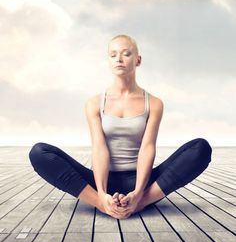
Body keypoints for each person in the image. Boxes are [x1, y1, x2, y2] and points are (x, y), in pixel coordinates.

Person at [29, 34, 212, 219]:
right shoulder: (94, 103)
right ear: (108, 61)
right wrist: (101, 193)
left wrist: (139, 191)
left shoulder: (154, 103)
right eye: (113, 54)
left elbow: (147, 148)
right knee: (39, 153)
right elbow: (99, 148)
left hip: (143, 181)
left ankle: (140, 202)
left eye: (126, 53)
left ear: (138, 60)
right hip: (102, 180)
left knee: (200, 149)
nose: (119, 58)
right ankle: (102, 204)